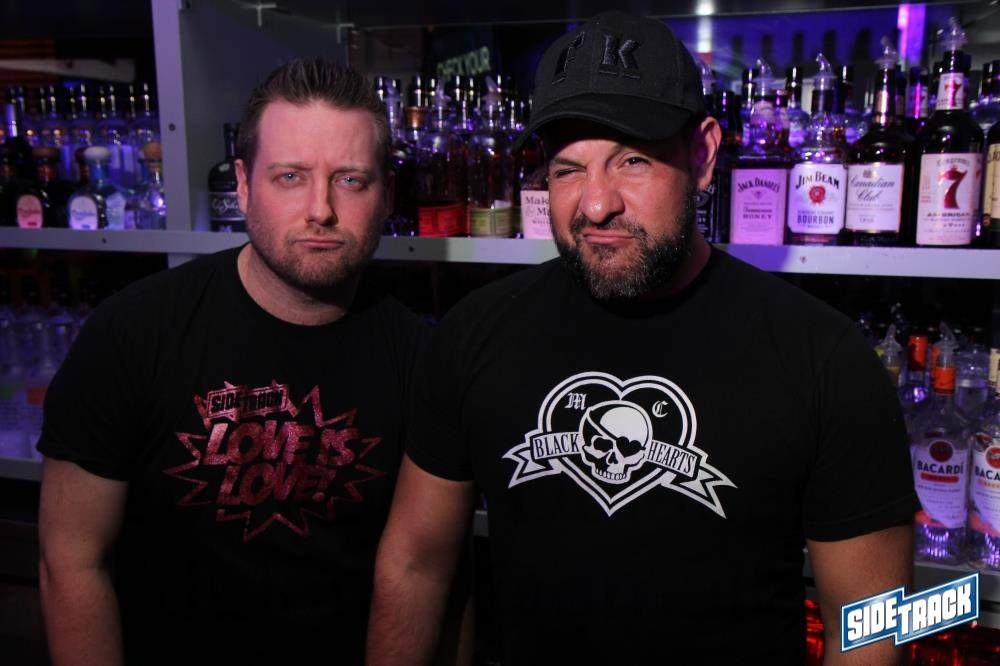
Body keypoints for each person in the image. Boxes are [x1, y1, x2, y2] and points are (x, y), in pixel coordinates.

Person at [368, 11, 917, 665]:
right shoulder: (473, 334)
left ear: (703, 156)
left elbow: (873, 629)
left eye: (632, 160)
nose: (597, 204)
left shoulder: (823, 358)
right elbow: (416, 564)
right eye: (568, 169)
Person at [37, 59, 427, 664]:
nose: (320, 210)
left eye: (350, 180)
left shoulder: (420, 356)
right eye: (290, 176)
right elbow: (70, 559)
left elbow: (429, 569)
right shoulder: (133, 331)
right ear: (243, 185)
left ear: (386, 197)